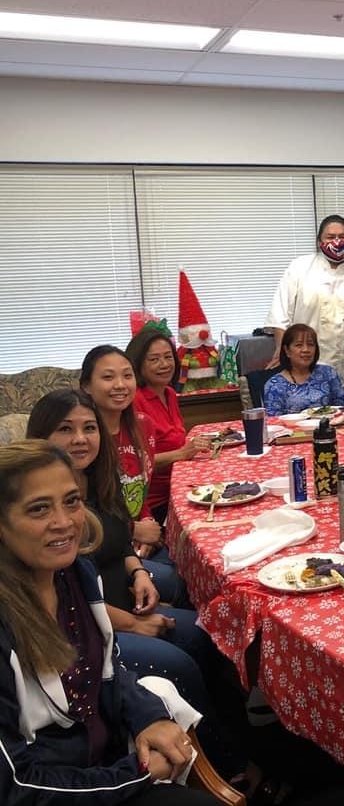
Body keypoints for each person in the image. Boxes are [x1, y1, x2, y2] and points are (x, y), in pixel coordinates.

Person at [26, 391, 245, 779]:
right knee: (180, 662)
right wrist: (133, 624)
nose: (80, 439)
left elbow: (120, 540)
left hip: (123, 599)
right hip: (93, 627)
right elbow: (64, 598)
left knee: (207, 631)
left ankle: (240, 736)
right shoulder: (45, 509)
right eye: (65, 429)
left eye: (89, 428)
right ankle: (226, 768)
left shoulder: (98, 477)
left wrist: (138, 572)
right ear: (41, 436)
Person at [0, 439, 214, 806]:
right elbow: (14, 786)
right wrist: (136, 774)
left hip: (102, 768)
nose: (64, 522)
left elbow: (107, 669)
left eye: (72, 501)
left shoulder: (75, 576)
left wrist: (148, 715)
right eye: (39, 509)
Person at [265, 214, 344, 390]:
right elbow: (280, 316)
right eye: (330, 237)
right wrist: (281, 351)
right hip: (307, 369)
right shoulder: (299, 269)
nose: (337, 242)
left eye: (343, 236)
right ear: (318, 241)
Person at [80, 345, 161, 560]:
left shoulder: (144, 426)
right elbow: (82, 512)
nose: (120, 385)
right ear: (86, 385)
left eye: (127, 375)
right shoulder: (84, 440)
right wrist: (133, 530)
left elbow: (141, 491)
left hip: (143, 537)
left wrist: (147, 524)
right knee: (172, 576)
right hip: (103, 548)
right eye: (108, 377)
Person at [126, 329, 209, 524]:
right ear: (138, 364)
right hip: (155, 503)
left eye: (168, 357)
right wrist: (181, 454)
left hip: (180, 485)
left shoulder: (169, 393)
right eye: (154, 359)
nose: (164, 364)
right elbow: (134, 462)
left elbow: (176, 440)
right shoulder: (134, 400)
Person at [262, 324, 344, 415]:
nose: (306, 350)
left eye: (310, 345)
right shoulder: (275, 384)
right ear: (287, 350)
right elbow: (273, 420)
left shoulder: (328, 373)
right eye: (299, 345)